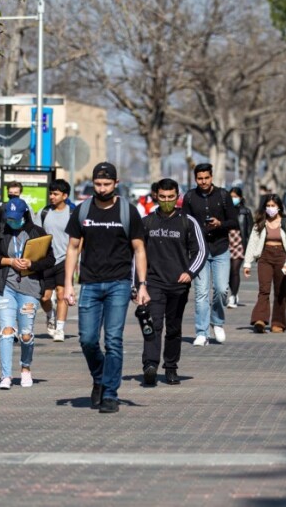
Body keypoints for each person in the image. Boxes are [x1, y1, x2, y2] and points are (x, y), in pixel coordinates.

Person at [64, 162, 150, 414]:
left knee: (113, 340)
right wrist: (68, 284)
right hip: (89, 283)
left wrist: (141, 285)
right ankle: (100, 377)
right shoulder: (82, 211)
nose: (101, 189)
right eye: (97, 184)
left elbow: (139, 249)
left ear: (116, 183)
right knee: (88, 340)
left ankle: (110, 393)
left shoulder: (128, 211)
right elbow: (72, 248)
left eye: (106, 184)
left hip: (119, 284)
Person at [140, 178, 207, 386]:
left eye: (171, 197)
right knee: (154, 324)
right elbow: (137, 255)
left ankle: (171, 367)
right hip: (154, 282)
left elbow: (201, 250)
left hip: (179, 284)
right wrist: (138, 285)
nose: (167, 201)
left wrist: (190, 272)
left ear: (177, 196)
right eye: (162, 197)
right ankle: (150, 365)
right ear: (156, 197)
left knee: (174, 328)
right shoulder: (147, 222)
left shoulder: (188, 221)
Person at [0, 197, 56, 390]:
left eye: (16, 218)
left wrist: (32, 265)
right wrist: (10, 261)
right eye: (9, 218)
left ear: (25, 215)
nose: (12, 221)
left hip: (30, 288)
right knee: (7, 332)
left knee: (26, 334)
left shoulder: (37, 232)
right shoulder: (0, 232)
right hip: (5, 288)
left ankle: (25, 368)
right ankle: (6, 376)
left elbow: (50, 260)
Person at [181, 163, 239, 346]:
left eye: (206, 178)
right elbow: (184, 223)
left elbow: (234, 222)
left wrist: (219, 224)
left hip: (220, 248)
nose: (203, 181)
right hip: (199, 251)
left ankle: (218, 322)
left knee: (222, 289)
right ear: (195, 179)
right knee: (201, 292)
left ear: (211, 177)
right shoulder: (190, 197)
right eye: (200, 178)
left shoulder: (223, 195)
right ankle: (201, 331)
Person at [243, 194, 286, 333]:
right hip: (265, 257)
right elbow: (252, 242)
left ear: (279, 207)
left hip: (282, 257)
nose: (270, 208)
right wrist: (247, 263)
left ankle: (278, 322)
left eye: (273, 206)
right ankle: (260, 320)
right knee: (264, 289)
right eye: (268, 206)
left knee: (281, 291)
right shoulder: (260, 222)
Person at [36, 179, 75, 342]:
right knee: (44, 298)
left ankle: (59, 328)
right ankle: (50, 315)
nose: (52, 197)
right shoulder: (44, 213)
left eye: (56, 194)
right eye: (51, 193)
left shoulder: (72, 214)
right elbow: (36, 235)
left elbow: (78, 238)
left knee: (61, 295)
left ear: (65, 196)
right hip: (46, 261)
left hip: (65, 261)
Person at [228, 186, 253, 309]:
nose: (233, 199)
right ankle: (234, 292)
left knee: (234, 270)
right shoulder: (224, 210)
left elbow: (250, 230)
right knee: (227, 272)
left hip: (239, 242)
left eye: (235, 197)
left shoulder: (245, 212)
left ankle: (232, 296)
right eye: (231, 197)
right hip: (226, 242)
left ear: (241, 197)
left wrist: (251, 247)